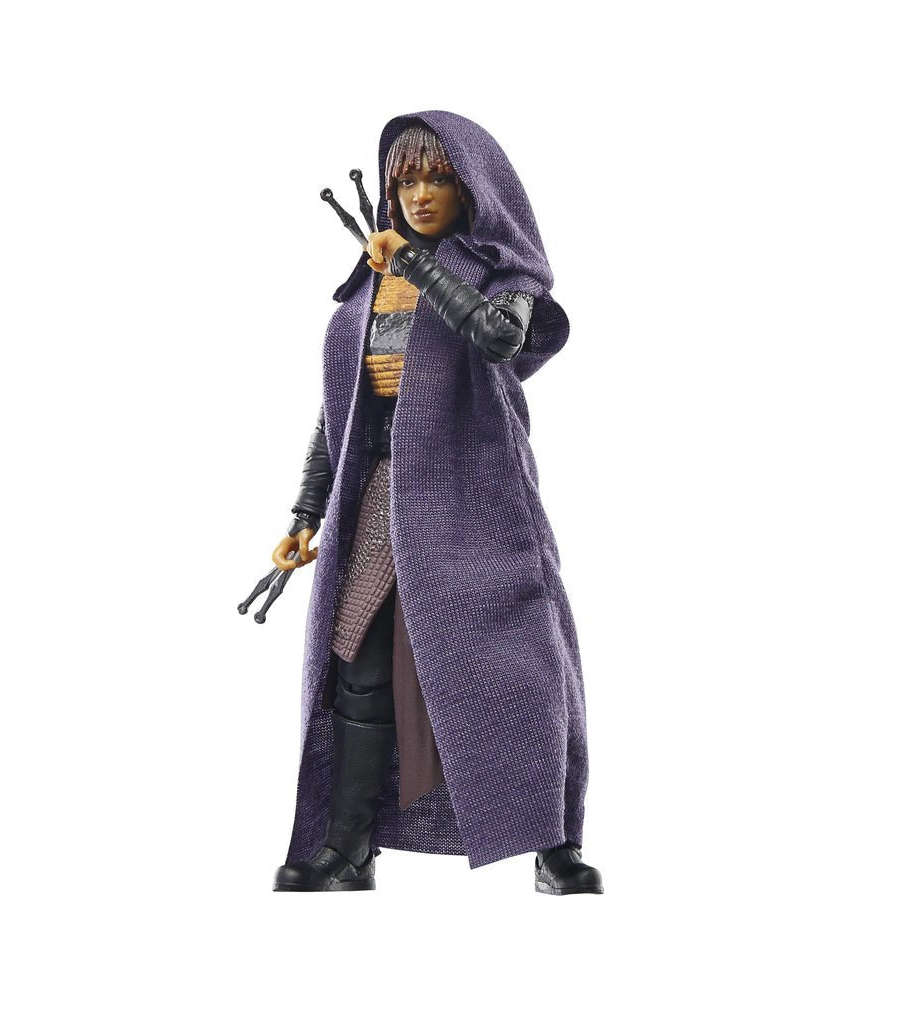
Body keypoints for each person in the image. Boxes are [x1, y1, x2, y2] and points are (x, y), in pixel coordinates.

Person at [267, 111, 602, 895]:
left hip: (476, 492)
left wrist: (416, 264)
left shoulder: (501, 276)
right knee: (358, 660)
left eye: (439, 179)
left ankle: (553, 844)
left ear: (473, 189)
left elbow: (497, 337)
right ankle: (347, 848)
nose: (420, 195)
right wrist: (306, 512)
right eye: (407, 180)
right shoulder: (368, 286)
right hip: (382, 493)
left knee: (520, 664)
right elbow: (339, 409)